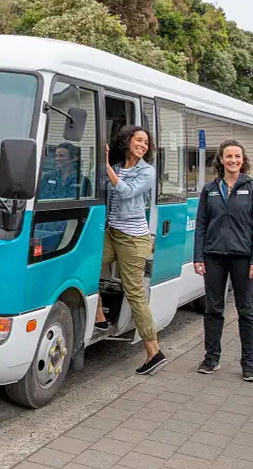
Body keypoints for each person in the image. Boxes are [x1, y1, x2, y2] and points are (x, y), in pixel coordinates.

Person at [93, 125, 167, 375]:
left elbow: (126, 193)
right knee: (86, 269)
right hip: (112, 234)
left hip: (134, 240)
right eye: (139, 140)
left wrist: (105, 167)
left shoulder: (147, 171)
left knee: (134, 294)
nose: (143, 145)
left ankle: (154, 351)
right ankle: (100, 320)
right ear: (127, 142)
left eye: (146, 142)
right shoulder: (115, 168)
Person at [193, 139, 253, 381]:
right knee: (213, 309)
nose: (233, 160)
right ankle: (211, 358)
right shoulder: (210, 189)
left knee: (246, 310)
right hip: (214, 257)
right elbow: (201, 225)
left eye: (237, 156)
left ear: (243, 160)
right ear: (221, 160)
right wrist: (198, 256)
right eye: (228, 156)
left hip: (244, 259)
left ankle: (249, 364)